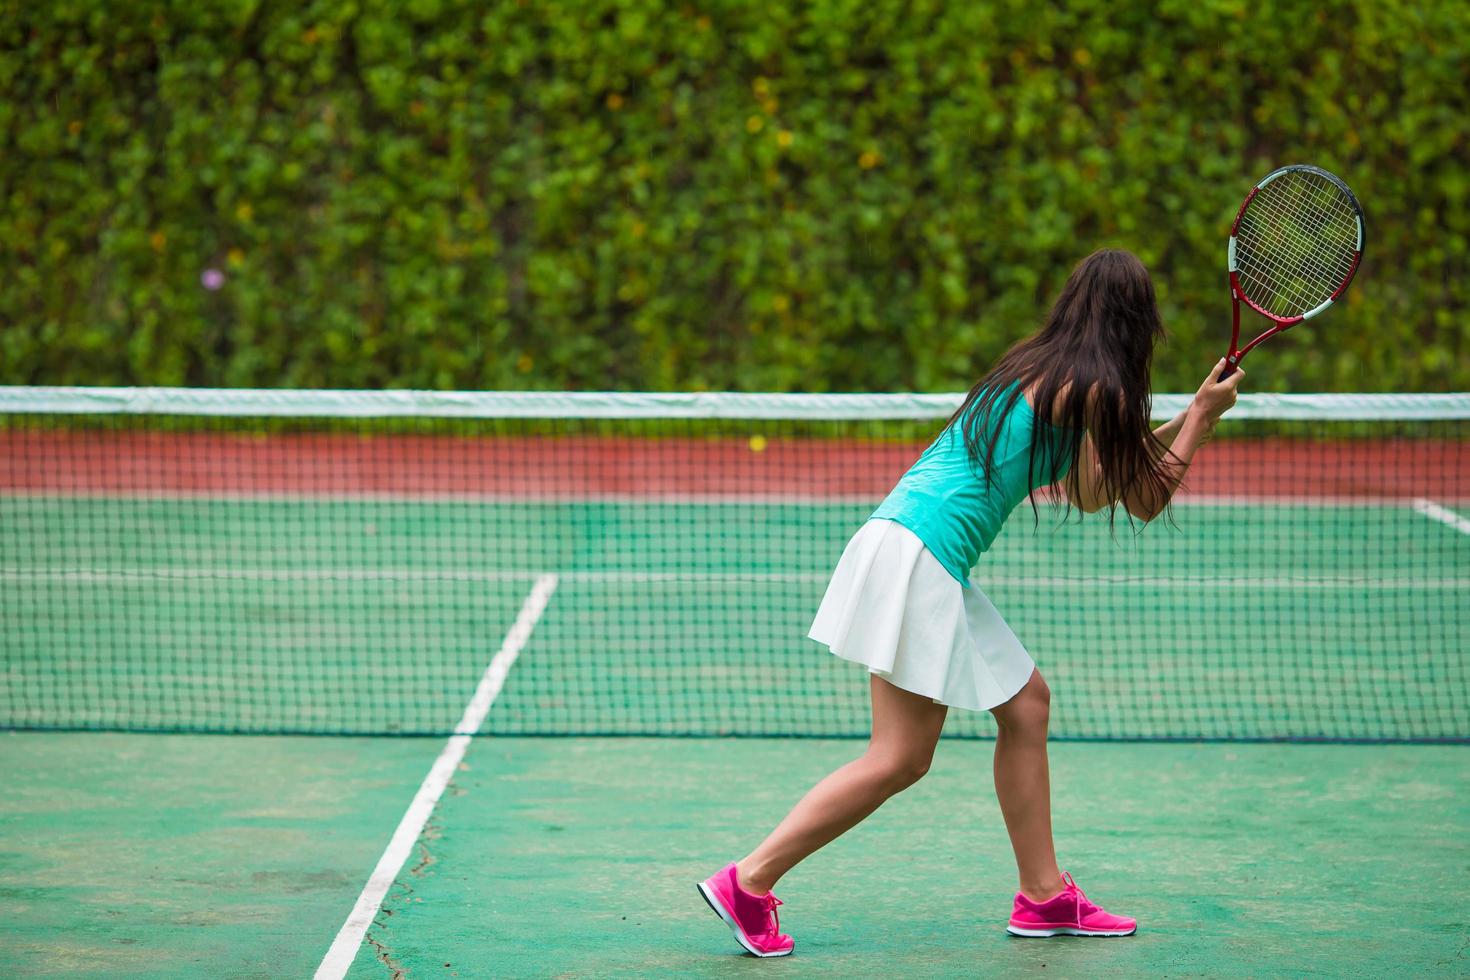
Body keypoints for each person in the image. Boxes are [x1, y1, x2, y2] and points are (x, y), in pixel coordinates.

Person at [696, 248, 1245, 957]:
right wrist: (1203, 415)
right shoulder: (1097, 389)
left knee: (1026, 704)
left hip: (907, 545)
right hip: (918, 557)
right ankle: (750, 881)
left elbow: (1089, 489)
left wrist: (1187, 415)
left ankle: (1044, 897)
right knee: (899, 757)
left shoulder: (1035, 368)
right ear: (1140, 324)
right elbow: (1142, 499)